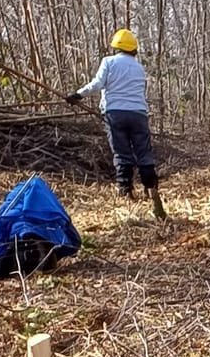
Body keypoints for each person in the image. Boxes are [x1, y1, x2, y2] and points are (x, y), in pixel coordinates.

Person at [67, 28, 166, 219]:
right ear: (134, 49)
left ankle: (125, 190)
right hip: (139, 114)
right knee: (143, 152)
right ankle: (151, 189)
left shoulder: (109, 62)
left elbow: (97, 84)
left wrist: (77, 95)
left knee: (122, 152)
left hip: (115, 114)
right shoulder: (139, 67)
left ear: (115, 47)